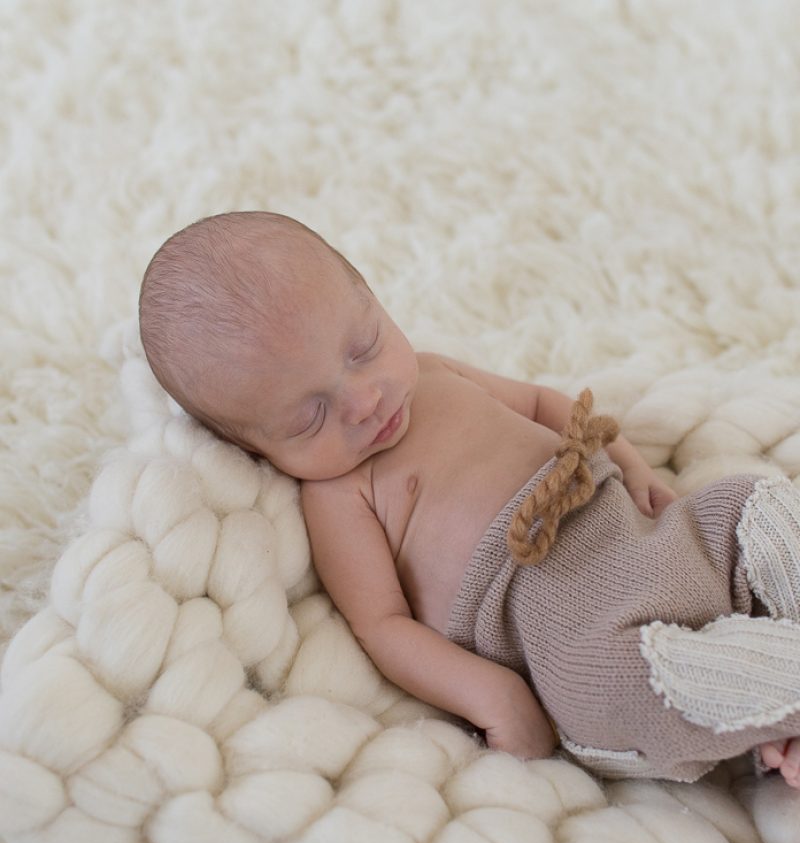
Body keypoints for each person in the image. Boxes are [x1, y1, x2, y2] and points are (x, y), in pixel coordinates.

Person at [138, 210, 800, 785]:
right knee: (627, 685)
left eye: (363, 349)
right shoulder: (338, 495)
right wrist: (493, 695)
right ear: (256, 449)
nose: (364, 402)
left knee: (753, 506)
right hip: (579, 636)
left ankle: (766, 680)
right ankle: (766, 694)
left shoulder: (434, 372)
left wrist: (633, 467)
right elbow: (384, 627)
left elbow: (544, 403)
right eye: (309, 418)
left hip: (651, 540)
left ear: (374, 299)